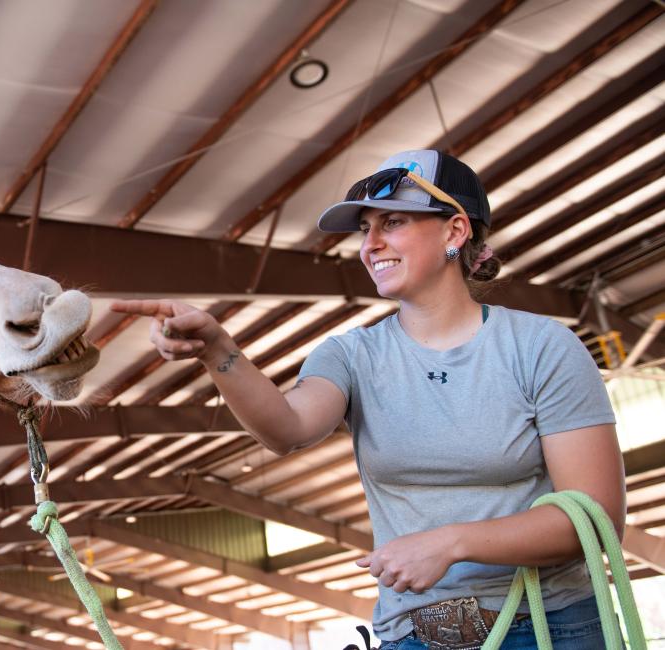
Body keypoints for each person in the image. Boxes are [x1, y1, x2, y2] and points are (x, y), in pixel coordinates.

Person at [111, 150, 624, 649]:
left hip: (551, 627)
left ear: (455, 230)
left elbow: (596, 519)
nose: (370, 244)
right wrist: (218, 351)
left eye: (393, 222)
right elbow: (287, 428)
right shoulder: (352, 355)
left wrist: (450, 543)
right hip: (413, 635)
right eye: (365, 229)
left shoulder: (540, 347)